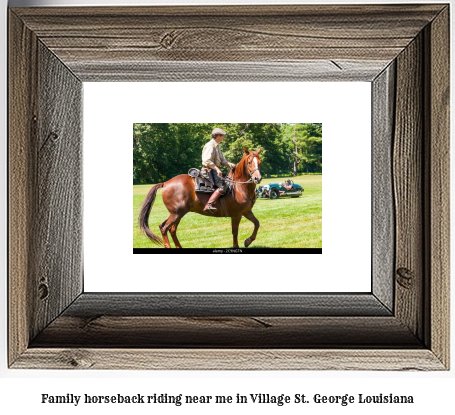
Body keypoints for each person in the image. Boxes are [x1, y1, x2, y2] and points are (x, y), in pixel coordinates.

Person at [201, 128, 236, 212]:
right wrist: (217, 169)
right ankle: (208, 205)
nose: (223, 137)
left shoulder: (217, 146)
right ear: (217, 136)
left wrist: (228, 163)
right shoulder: (210, 145)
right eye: (222, 135)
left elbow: (222, 160)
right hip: (209, 171)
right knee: (223, 186)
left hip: (214, 170)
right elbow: (207, 161)